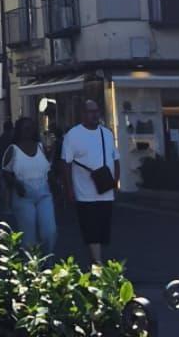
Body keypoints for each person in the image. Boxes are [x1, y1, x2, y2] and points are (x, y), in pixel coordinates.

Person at [61, 99, 120, 266]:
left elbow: (115, 158)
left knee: (102, 229)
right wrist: (69, 189)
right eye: (90, 111)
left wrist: (115, 181)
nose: (94, 115)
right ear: (82, 114)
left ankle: (97, 258)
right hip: (84, 192)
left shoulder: (106, 134)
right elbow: (66, 163)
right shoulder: (73, 135)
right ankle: (97, 261)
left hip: (105, 190)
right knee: (90, 228)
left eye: (96, 111)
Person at [3, 116, 56, 252]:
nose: (28, 130)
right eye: (25, 128)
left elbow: (48, 168)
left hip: (44, 194)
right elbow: (5, 172)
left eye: (31, 128)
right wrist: (16, 184)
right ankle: (31, 267)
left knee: (50, 232)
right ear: (19, 130)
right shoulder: (12, 150)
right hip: (23, 196)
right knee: (29, 238)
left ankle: (47, 262)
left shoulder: (41, 147)